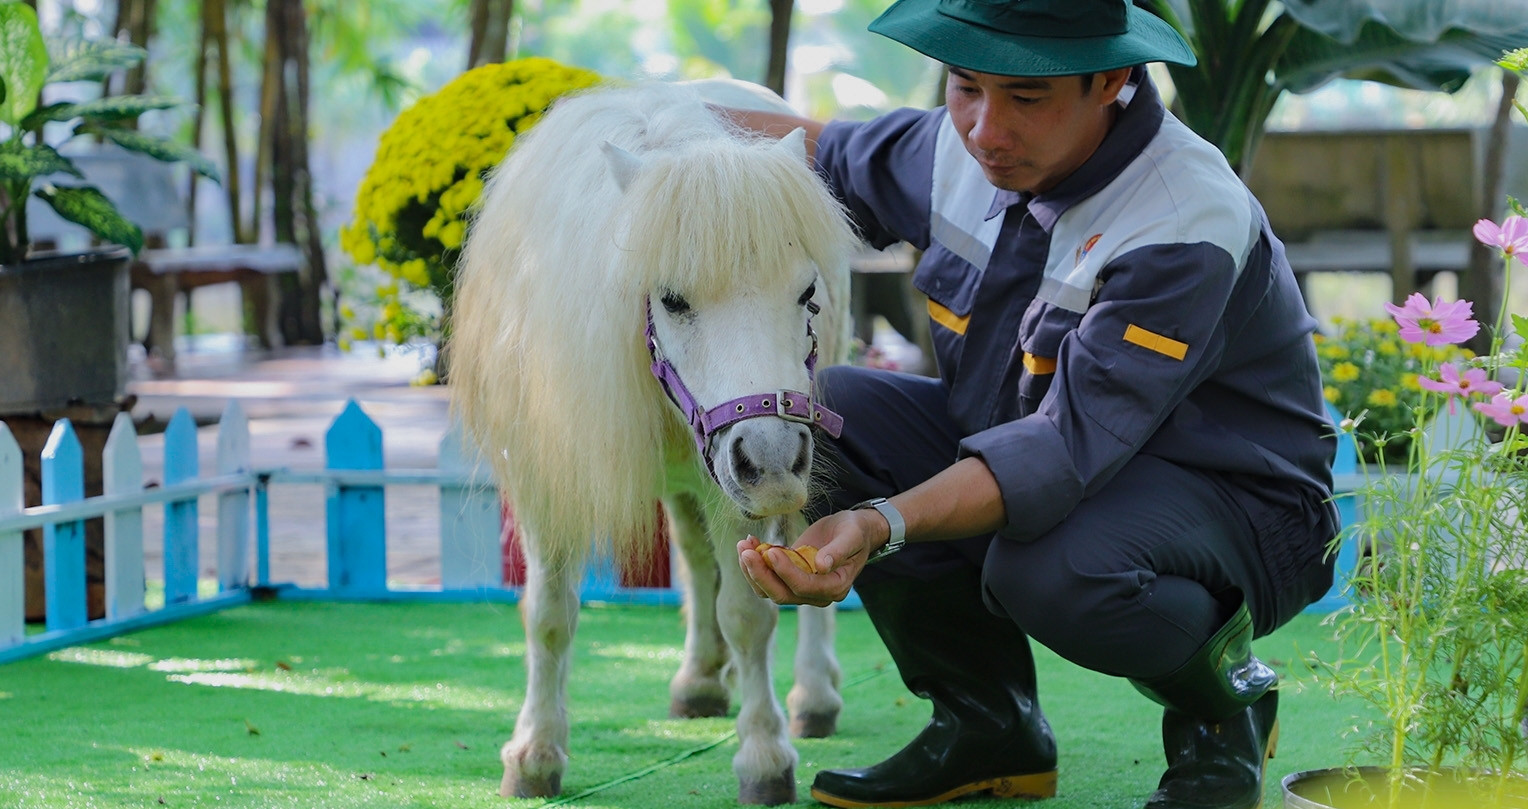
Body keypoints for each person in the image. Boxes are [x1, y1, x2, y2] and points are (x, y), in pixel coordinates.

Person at [727, 1, 1341, 808]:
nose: (986, 129)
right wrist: (642, 120)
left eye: (1027, 97)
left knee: (1049, 568)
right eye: (966, 85)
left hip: (1241, 505)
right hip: (1049, 465)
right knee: (838, 414)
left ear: (1111, 81)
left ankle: (1223, 707)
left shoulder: (1182, 217)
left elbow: (1060, 450)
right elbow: (806, 149)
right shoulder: (956, 146)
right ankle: (991, 726)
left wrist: (877, 522)